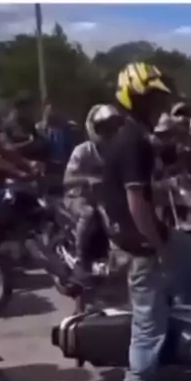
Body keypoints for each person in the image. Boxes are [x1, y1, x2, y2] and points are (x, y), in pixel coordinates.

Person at [99, 61, 191, 381]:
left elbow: (142, 188)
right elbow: (136, 202)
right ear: (132, 98)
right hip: (140, 240)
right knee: (149, 314)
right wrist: (157, 244)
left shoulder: (130, 136)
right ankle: (139, 380)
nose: (156, 106)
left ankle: (173, 322)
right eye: (149, 99)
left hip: (136, 232)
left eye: (157, 100)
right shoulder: (132, 141)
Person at [63, 104, 124, 279]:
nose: (109, 132)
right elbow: (66, 180)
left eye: (113, 127)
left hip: (105, 198)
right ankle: (80, 259)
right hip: (77, 197)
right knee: (88, 213)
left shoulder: (118, 151)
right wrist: (87, 179)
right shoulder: (83, 151)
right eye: (104, 127)